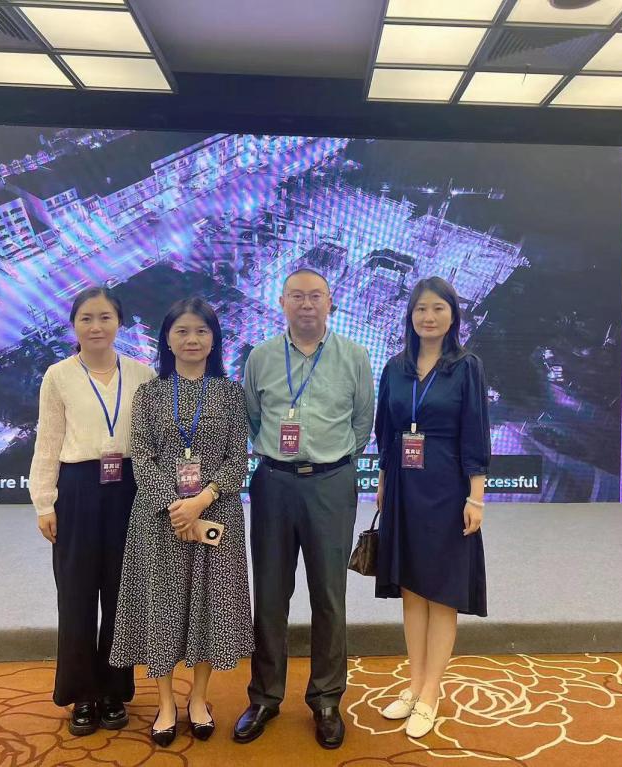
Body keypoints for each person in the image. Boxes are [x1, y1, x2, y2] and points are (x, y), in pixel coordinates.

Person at [235, 268, 374, 750]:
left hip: (331, 485)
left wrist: (332, 462)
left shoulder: (354, 356)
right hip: (274, 484)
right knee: (270, 594)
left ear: (330, 302)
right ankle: (265, 696)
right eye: (297, 295)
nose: (307, 304)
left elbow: (362, 423)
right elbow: (253, 417)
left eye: (316, 296)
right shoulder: (261, 357)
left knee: (329, 596)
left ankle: (327, 699)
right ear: (282, 302)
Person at [109, 297, 253, 747]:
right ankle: (167, 702)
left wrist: (201, 500)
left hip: (216, 515)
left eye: (201, 331)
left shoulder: (230, 394)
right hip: (160, 519)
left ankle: (200, 699)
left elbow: (238, 459)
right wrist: (175, 506)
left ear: (214, 340)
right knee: (163, 607)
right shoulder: (149, 394)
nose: (192, 340)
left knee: (210, 607)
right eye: (182, 331)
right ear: (167, 340)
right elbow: (142, 458)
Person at [29, 286, 155, 736]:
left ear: (119, 322)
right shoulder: (58, 376)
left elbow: (155, 440)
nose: (96, 326)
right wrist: (44, 501)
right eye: (86, 318)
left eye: (105, 317)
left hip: (129, 490)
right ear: (74, 325)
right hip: (78, 489)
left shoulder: (142, 374)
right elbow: (47, 440)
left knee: (122, 597)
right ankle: (82, 693)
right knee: (77, 595)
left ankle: (114, 690)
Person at [374, 276, 490, 739]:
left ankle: (431, 692)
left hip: (447, 487)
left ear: (453, 315)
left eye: (438, 308)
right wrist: (383, 483)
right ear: (410, 315)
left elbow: (475, 432)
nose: (429, 317)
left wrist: (476, 497)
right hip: (403, 486)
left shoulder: (466, 366)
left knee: (441, 592)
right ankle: (413, 683)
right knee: (412, 590)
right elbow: (386, 433)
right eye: (421, 308)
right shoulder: (395, 367)